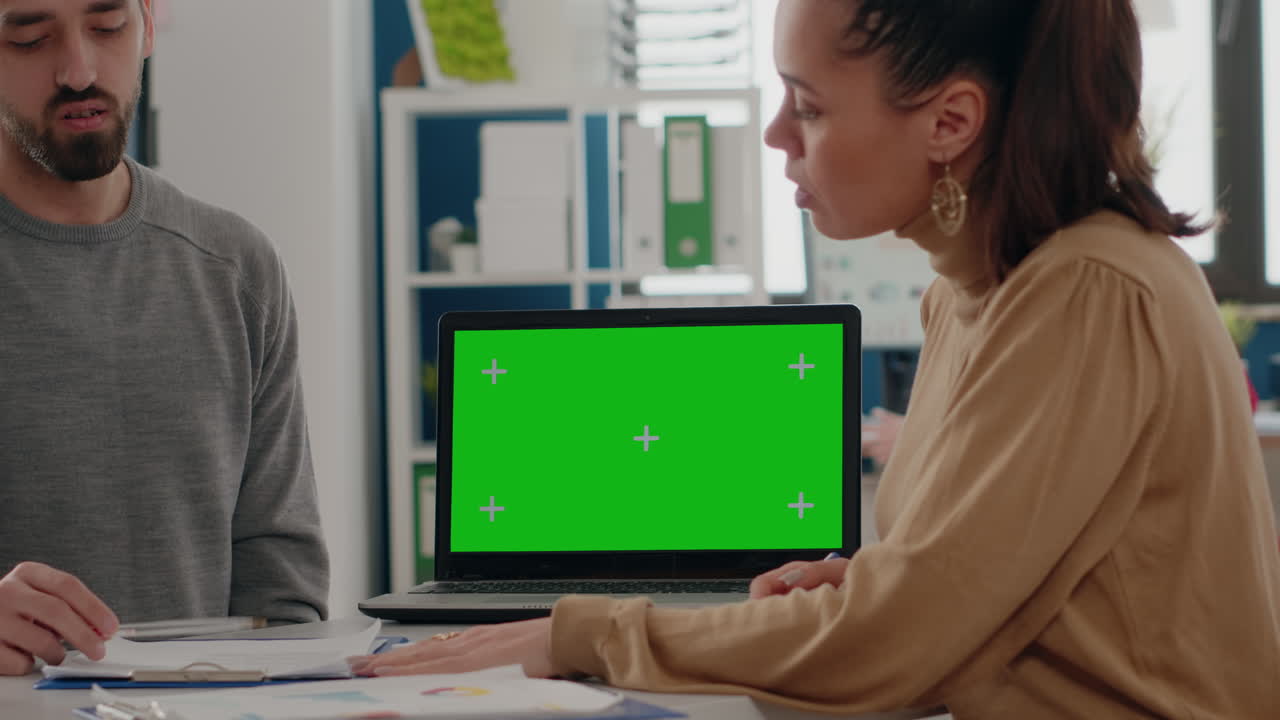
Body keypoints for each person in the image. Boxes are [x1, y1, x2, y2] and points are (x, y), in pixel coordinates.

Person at [354, 0, 1280, 716]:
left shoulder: (1085, 291)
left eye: (808, 105)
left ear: (950, 122)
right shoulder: (976, 292)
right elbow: (965, 598)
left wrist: (583, 634)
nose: (777, 136)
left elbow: (901, 641)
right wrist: (871, 587)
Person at [0, 0, 328, 676]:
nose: (79, 71)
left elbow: (284, 596)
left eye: (107, 26)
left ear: (148, 22)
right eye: (30, 39)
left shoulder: (236, 269)